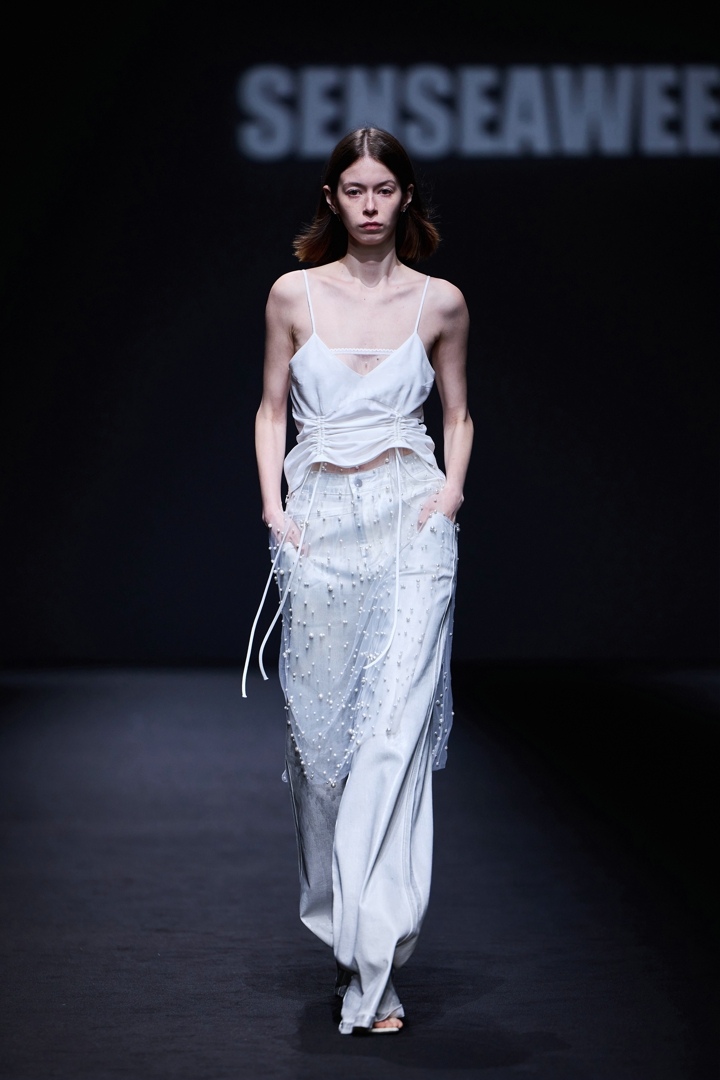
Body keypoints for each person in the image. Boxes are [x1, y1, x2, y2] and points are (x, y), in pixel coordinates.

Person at [243, 127, 472, 1034]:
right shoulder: (292, 294)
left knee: (392, 741)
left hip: (414, 526)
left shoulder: (441, 302)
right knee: (322, 759)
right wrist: (275, 511)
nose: (370, 205)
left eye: (384, 189)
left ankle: (377, 969)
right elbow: (271, 409)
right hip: (321, 530)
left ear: (405, 196)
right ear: (331, 199)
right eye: (354, 189)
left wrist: (450, 497)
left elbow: (458, 413)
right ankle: (347, 938)